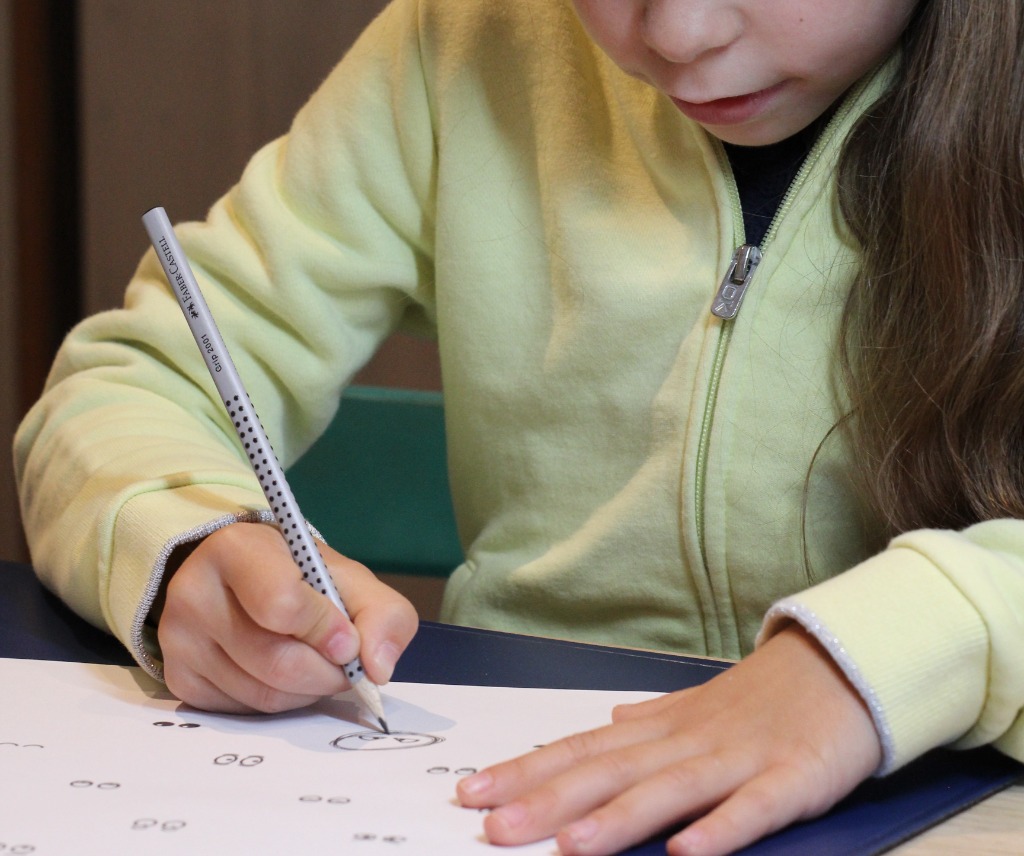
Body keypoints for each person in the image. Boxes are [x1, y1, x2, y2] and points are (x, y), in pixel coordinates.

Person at [14, 0, 1024, 854]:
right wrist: (183, 541)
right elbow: (131, 383)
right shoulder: (463, 36)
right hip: (504, 800)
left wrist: (887, 654)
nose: (676, 32)